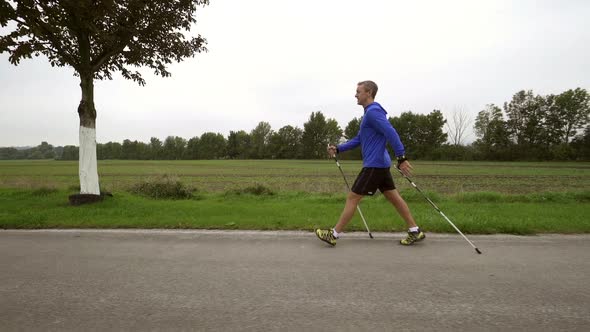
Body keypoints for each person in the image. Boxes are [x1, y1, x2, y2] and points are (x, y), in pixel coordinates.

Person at [315, 80, 425, 246]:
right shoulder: (369, 114)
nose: (355, 95)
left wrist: (401, 157)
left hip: (374, 165)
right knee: (394, 197)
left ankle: (334, 234)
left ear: (368, 93)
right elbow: (359, 139)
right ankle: (414, 230)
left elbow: (391, 132)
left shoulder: (373, 112)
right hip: (380, 164)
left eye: (358, 91)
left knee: (352, 198)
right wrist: (339, 149)